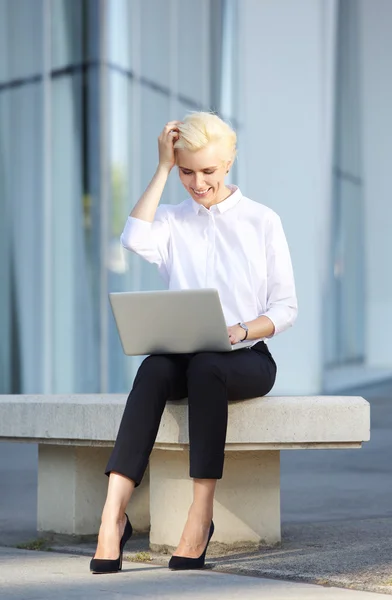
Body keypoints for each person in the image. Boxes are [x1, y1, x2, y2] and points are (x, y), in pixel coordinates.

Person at [90, 112, 298, 574]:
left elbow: (286, 308)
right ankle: (113, 515)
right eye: (187, 171)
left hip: (245, 358)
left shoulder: (261, 221)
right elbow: (133, 237)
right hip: (186, 357)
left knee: (208, 365)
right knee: (153, 368)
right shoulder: (171, 220)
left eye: (208, 170)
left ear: (229, 163)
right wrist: (163, 167)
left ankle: (200, 516)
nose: (197, 182)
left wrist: (241, 330)